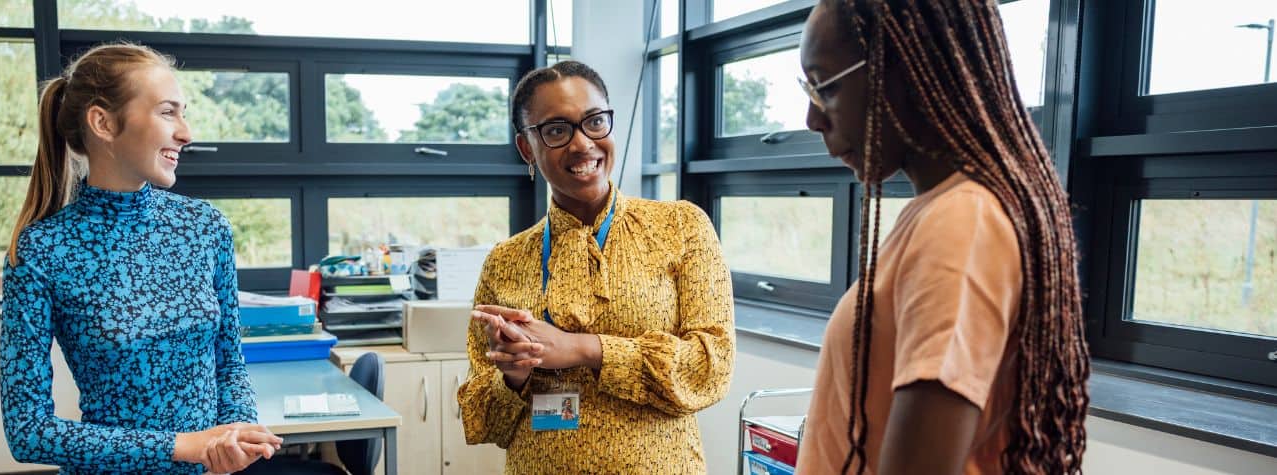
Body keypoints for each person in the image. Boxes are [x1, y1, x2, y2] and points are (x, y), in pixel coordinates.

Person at [794, 2, 1089, 474]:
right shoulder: (944, 212)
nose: (812, 117)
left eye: (825, 86)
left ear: (905, 68)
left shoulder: (961, 224)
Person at [0, 43, 282, 475]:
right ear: (103, 123)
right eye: (168, 112)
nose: (186, 132)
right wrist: (182, 446)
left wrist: (235, 431)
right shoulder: (40, 251)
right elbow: (28, 430)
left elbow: (229, 363)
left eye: (183, 112)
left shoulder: (206, 228)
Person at [457, 60, 735, 474]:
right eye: (556, 130)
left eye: (594, 121)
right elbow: (483, 420)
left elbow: (710, 368)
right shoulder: (505, 261)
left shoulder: (681, 227)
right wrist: (512, 378)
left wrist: (583, 349)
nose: (582, 143)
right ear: (526, 148)